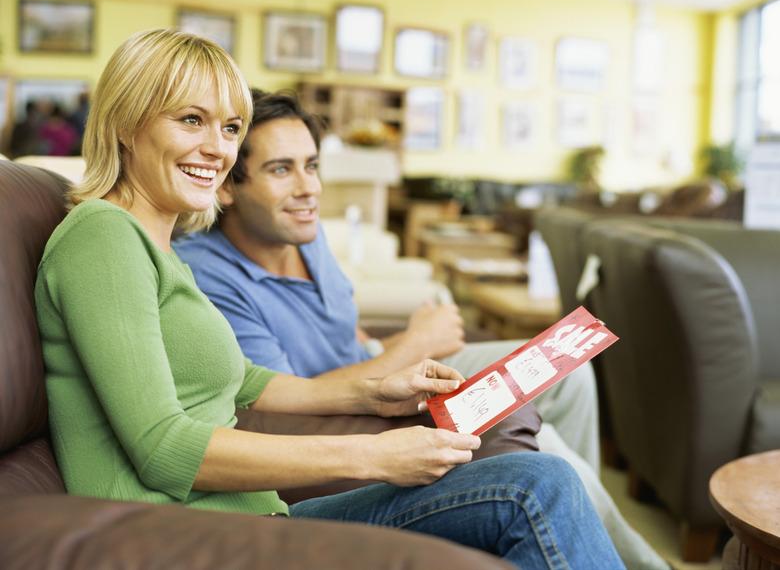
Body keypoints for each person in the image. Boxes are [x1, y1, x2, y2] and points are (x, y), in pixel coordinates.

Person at [35, 28, 623, 569]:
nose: (218, 149)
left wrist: (373, 392)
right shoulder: (104, 236)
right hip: (186, 536)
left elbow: (241, 381)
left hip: (258, 516)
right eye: (192, 120)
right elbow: (163, 448)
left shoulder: (159, 245)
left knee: (539, 477)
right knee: (533, 489)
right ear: (124, 123)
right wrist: (375, 456)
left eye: (231, 128)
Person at [175, 89, 669, 570]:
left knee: (569, 372)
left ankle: (587, 541)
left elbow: (342, 335)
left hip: (377, 370)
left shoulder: (305, 234)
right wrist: (416, 344)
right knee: (551, 448)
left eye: (312, 165)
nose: (310, 189)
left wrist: (395, 342)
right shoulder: (211, 278)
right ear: (228, 186)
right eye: (281, 169)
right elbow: (284, 400)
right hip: (343, 408)